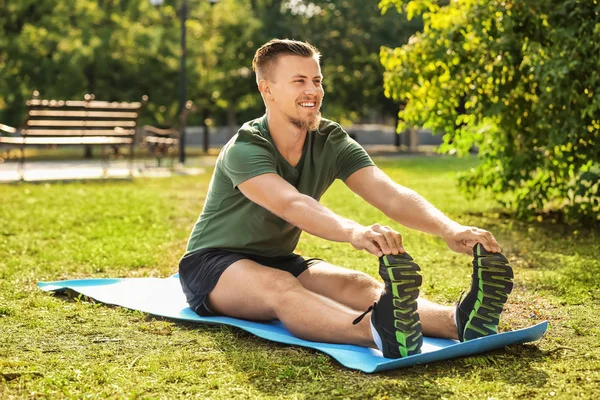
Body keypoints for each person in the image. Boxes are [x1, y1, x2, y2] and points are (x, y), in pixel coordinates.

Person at [178, 39, 514, 359]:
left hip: (277, 256)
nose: (312, 91)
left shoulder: (330, 140)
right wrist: (355, 232)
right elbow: (291, 204)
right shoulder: (246, 148)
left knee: (357, 285)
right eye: (298, 81)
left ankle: (457, 321)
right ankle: (377, 331)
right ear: (267, 89)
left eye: (316, 80)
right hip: (212, 264)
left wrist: (449, 229)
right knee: (280, 286)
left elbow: (390, 193)